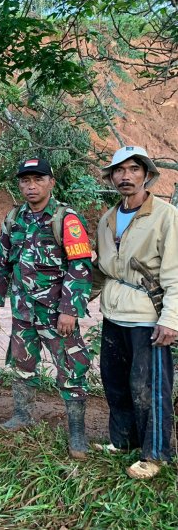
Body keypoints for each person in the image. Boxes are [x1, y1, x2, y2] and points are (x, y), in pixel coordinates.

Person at [0, 158, 93, 459]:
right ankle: (23, 414)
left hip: (57, 315)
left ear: (51, 182)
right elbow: (1, 259)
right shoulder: (15, 217)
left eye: (38, 179)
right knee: (22, 365)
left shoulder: (65, 218)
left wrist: (70, 309)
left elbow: (80, 267)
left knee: (71, 370)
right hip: (23, 312)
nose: (31, 186)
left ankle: (77, 433)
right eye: (25, 180)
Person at [93, 145, 178, 479]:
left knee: (149, 387)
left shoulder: (165, 216)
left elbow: (174, 272)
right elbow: (101, 268)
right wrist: (79, 298)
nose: (125, 176)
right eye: (119, 171)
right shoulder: (108, 218)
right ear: (112, 177)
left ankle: (156, 454)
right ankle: (123, 441)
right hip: (114, 314)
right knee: (115, 382)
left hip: (148, 317)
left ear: (146, 175)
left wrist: (171, 319)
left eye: (133, 170)